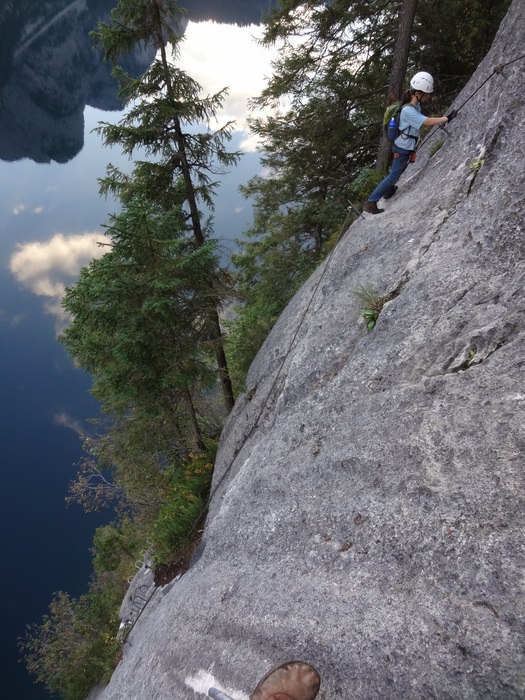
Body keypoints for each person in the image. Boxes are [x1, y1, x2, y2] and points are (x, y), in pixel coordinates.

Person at [363, 71, 457, 214]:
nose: (429, 97)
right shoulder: (408, 110)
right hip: (402, 148)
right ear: (419, 93)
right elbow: (427, 121)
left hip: (404, 145)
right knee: (394, 175)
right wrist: (447, 118)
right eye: (427, 94)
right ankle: (371, 202)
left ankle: (388, 191)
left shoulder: (414, 106)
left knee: (396, 172)